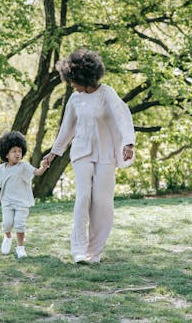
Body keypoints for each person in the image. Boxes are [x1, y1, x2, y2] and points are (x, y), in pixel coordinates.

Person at [43, 48, 136, 264]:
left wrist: (128, 143)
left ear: (85, 78)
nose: (71, 85)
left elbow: (123, 117)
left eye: (74, 81)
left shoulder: (107, 94)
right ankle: (78, 250)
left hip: (105, 153)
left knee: (102, 202)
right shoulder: (75, 100)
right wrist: (53, 154)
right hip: (81, 152)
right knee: (83, 197)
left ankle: (94, 251)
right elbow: (66, 129)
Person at [0, 131, 49, 258]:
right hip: (7, 202)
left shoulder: (24, 166)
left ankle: (20, 248)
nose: (17, 154)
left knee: (20, 224)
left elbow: (37, 172)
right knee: (7, 224)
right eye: (14, 151)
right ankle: (7, 237)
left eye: (19, 151)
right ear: (6, 154)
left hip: (22, 202)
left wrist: (44, 167)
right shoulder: (1, 169)